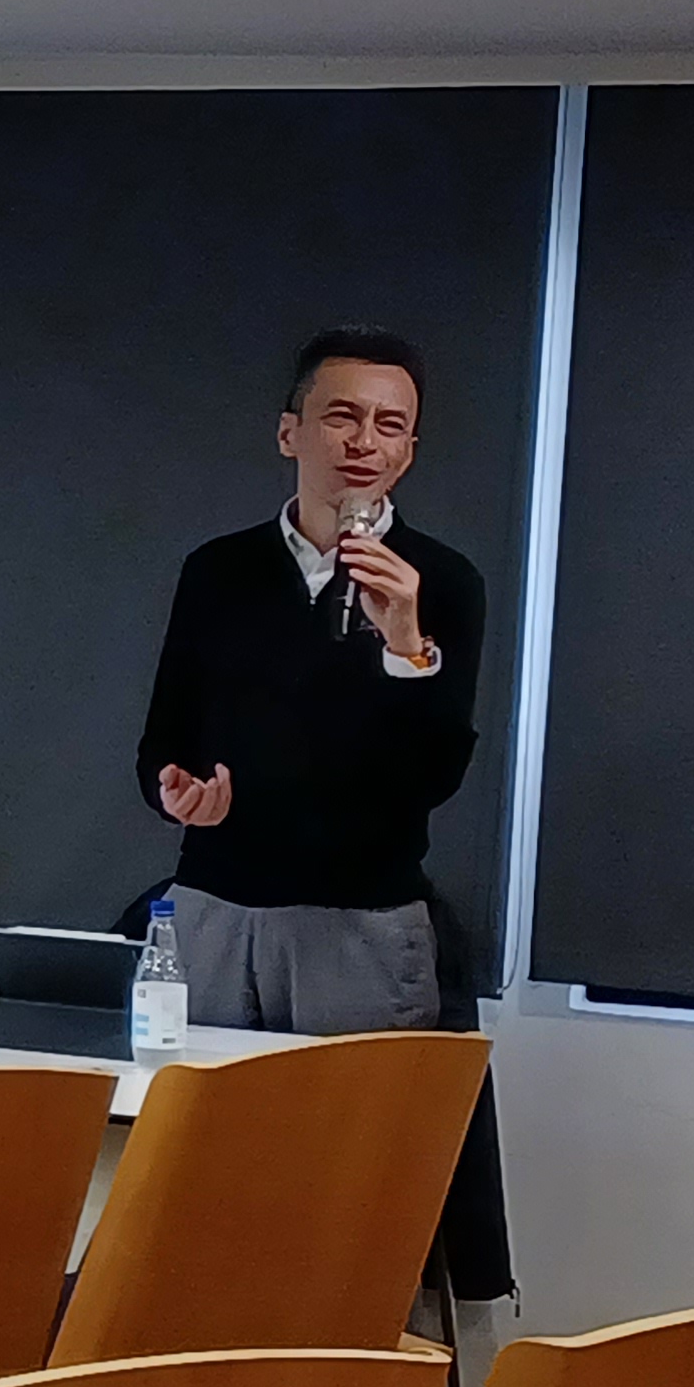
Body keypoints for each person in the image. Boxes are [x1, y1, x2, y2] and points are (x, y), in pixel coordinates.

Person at [134, 328, 488, 1036]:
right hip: (214, 909)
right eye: (342, 416)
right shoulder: (217, 571)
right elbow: (164, 741)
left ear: (408, 453)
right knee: (196, 1103)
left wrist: (407, 645)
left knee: (349, 1111)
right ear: (289, 434)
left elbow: (434, 778)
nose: (365, 442)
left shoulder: (441, 582)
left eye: (390, 425)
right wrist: (176, 792)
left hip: (361, 922)